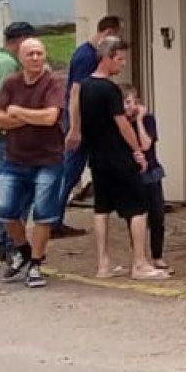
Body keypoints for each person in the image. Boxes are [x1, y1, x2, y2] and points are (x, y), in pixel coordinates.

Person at [80, 37, 166, 281]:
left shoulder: (85, 86)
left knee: (102, 209)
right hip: (119, 157)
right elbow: (121, 124)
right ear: (107, 58)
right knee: (138, 208)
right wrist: (137, 150)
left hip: (98, 157)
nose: (122, 64)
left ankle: (103, 263)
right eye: (119, 59)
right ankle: (139, 262)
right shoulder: (110, 89)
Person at [0, 36, 67, 288]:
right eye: (30, 54)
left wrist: (17, 112)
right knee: (6, 211)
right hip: (15, 157)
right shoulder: (11, 83)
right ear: (21, 58)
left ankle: (36, 263)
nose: (35, 58)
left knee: (44, 214)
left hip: (48, 158)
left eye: (39, 53)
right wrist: (24, 117)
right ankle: (23, 250)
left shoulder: (53, 83)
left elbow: (50, 117)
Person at [0, 21, 35, 263]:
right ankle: (12, 243)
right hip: (7, 135)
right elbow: (6, 101)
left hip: (0, 134)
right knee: (16, 191)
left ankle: (7, 243)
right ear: (20, 40)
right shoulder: (7, 64)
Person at [59, 12, 121, 219]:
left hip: (87, 121)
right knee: (70, 170)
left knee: (74, 169)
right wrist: (75, 128)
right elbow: (76, 93)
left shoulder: (89, 54)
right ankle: (53, 219)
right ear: (108, 33)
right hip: (81, 122)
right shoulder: (86, 57)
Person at [120, 83, 168, 272]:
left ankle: (158, 255)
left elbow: (147, 144)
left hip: (151, 173)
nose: (126, 107)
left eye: (129, 102)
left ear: (137, 102)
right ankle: (139, 255)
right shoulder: (118, 123)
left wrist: (139, 120)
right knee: (134, 217)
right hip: (130, 173)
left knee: (157, 215)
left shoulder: (147, 119)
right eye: (122, 103)